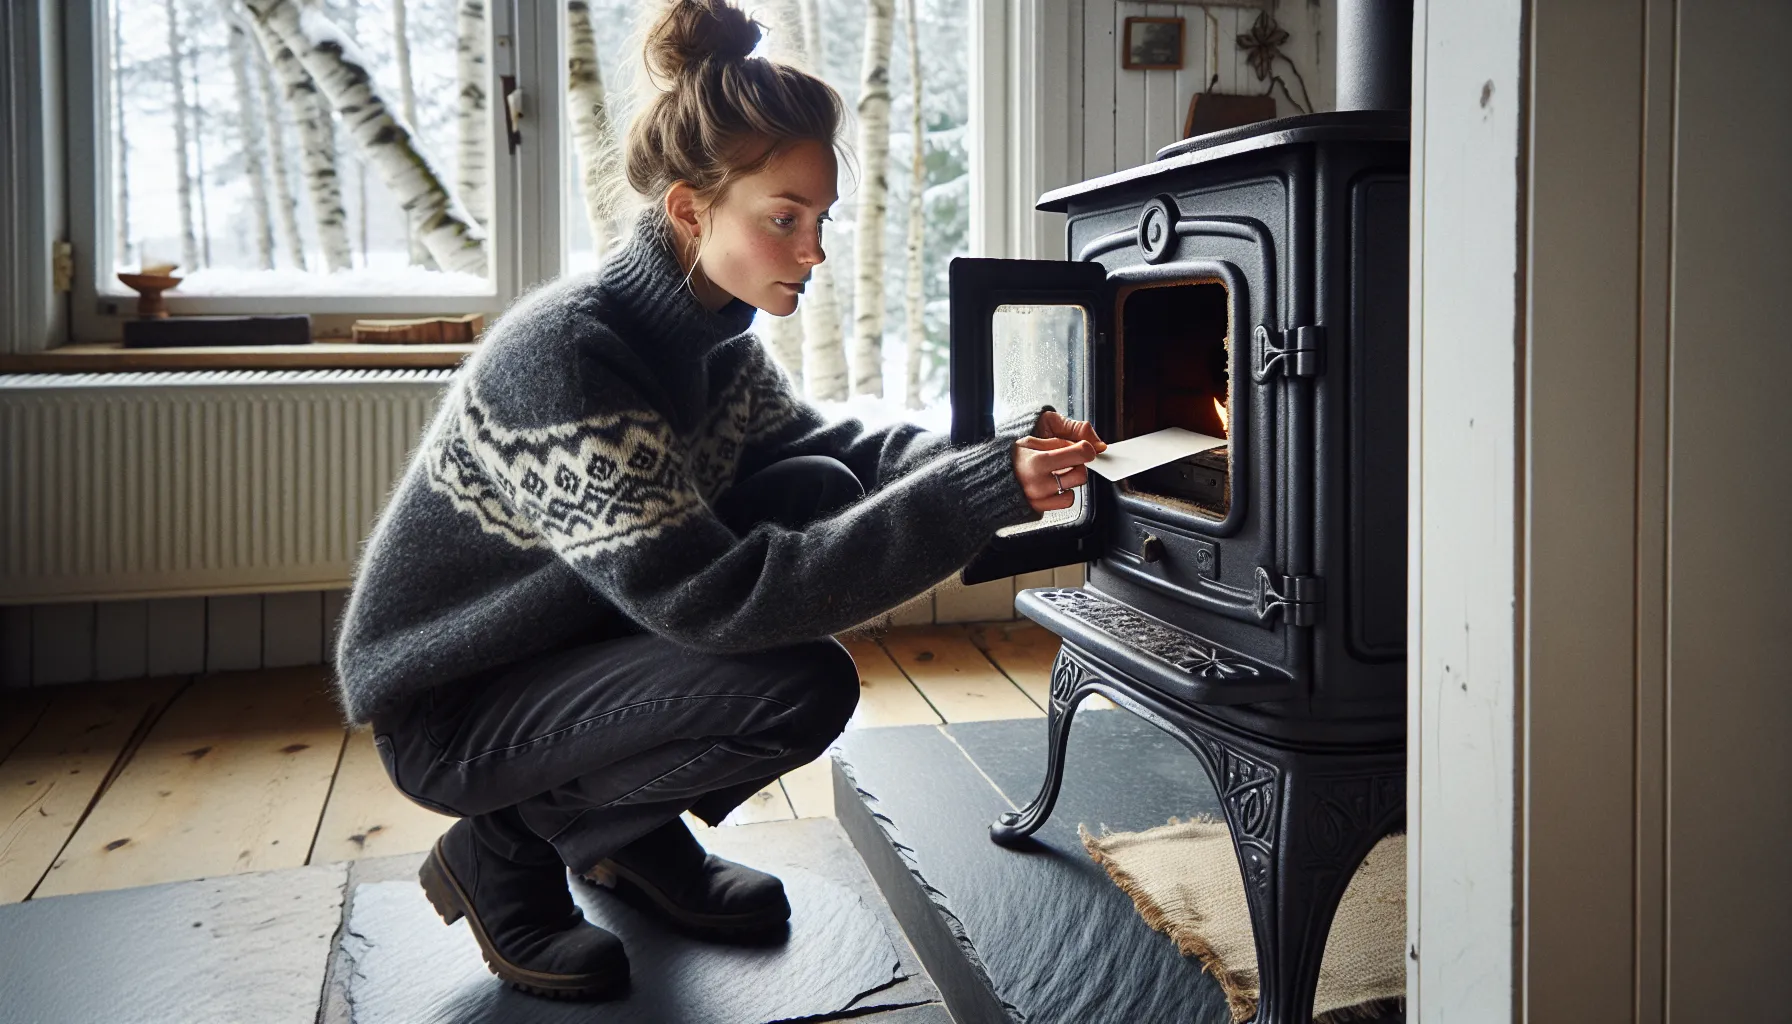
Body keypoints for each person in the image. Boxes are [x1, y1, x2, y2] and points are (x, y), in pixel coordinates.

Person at [331, 0, 1106, 1001]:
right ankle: (504, 846)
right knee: (799, 686)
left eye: (821, 220)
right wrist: (977, 495)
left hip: (567, 649)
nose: (813, 250)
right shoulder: (575, 357)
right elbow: (713, 600)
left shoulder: (710, 339)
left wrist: (994, 456)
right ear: (690, 210)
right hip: (461, 708)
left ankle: (627, 836)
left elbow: (835, 451)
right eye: (783, 217)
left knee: (815, 483)